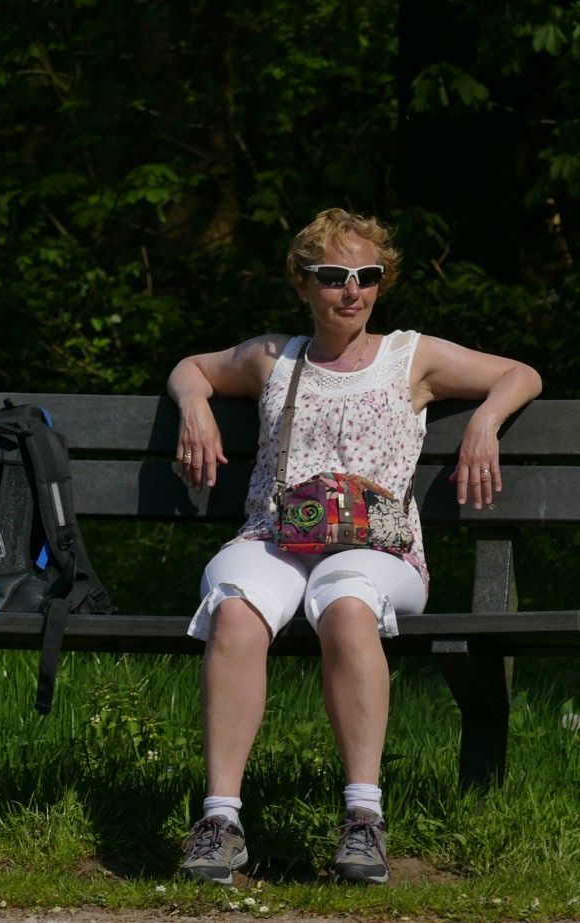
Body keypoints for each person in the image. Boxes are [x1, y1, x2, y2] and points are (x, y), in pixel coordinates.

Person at [166, 207, 542, 885]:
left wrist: (485, 420)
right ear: (304, 284)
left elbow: (519, 373)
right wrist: (195, 405)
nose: (352, 290)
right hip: (276, 536)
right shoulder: (271, 357)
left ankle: (363, 818)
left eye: (367, 276)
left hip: (380, 550)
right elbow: (192, 368)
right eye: (335, 276)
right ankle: (220, 819)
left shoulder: (410, 355)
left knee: (344, 603)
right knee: (236, 608)